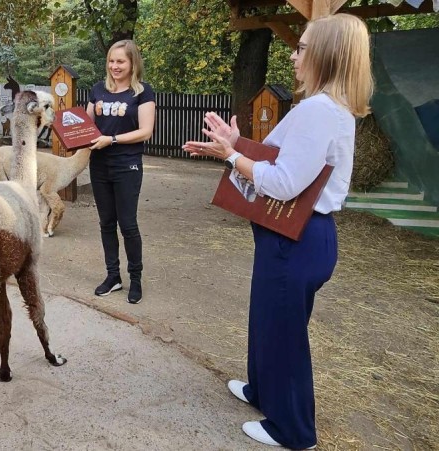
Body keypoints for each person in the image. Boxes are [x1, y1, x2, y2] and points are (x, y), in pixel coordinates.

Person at [183, 14, 373, 449]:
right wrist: (237, 143)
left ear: (326, 55)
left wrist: (232, 156)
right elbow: (281, 158)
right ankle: (262, 392)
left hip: (297, 237)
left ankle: (293, 430)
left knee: (285, 333)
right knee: (269, 320)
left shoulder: (320, 110)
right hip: (297, 237)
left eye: (302, 47)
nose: (293, 53)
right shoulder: (327, 109)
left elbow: (284, 181)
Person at [86, 39, 156, 304]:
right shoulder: (97, 90)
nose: (115, 66)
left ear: (132, 63)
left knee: (127, 224)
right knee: (106, 223)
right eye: (111, 61)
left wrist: (112, 140)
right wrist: (71, 134)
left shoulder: (142, 92)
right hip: (100, 165)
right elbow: (85, 126)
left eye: (120, 61)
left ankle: (135, 279)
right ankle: (113, 276)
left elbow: (145, 131)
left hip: (127, 164)